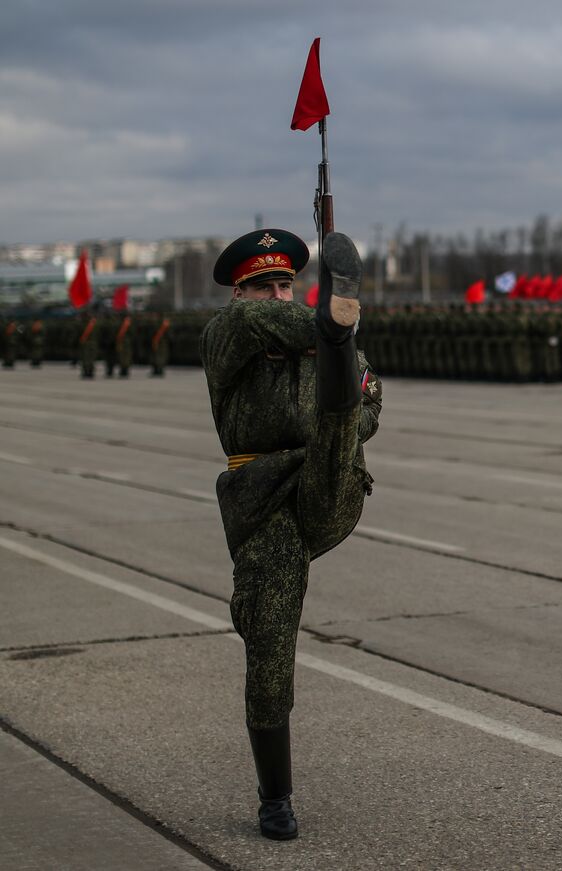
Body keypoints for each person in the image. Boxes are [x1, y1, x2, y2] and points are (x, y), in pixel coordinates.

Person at [200, 228, 382, 840]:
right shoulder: (228, 334)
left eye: (286, 284)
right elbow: (264, 328)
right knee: (270, 644)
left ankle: (333, 417)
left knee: (342, 423)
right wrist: (330, 330)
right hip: (262, 503)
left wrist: (336, 345)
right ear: (238, 294)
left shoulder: (332, 344)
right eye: (263, 287)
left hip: (325, 484)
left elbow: (373, 406)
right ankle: (274, 796)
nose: (277, 295)